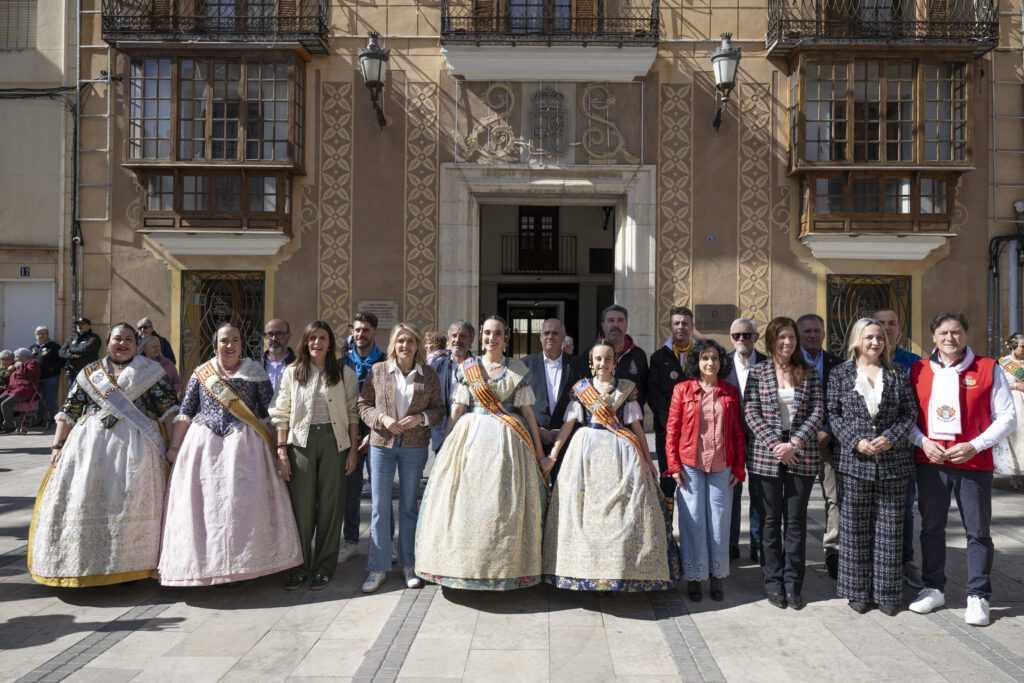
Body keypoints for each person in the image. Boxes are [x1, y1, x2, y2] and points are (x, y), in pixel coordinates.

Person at [27, 323, 179, 586]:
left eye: (129, 339)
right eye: (117, 338)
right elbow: (70, 410)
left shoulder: (151, 371)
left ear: (136, 344)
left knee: (130, 500)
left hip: (138, 447)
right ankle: (81, 564)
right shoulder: (90, 373)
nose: (123, 343)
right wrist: (57, 445)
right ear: (108, 342)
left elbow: (169, 411)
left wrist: (174, 447)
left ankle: (131, 566)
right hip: (89, 446)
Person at [159, 324, 302, 586]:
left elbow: (269, 412)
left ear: (242, 344)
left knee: (242, 505)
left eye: (235, 340)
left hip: (246, 448)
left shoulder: (255, 372)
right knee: (205, 507)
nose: (230, 345)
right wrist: (175, 447)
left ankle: (244, 566)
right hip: (203, 448)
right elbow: (186, 411)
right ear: (215, 345)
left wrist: (279, 449)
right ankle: (206, 567)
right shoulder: (201, 373)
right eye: (224, 340)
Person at [415, 315, 549, 590]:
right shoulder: (468, 368)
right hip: (470, 439)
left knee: (504, 502)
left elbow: (528, 413)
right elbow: (457, 410)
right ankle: (463, 567)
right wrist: (445, 446)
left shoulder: (518, 369)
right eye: (487, 333)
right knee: (468, 501)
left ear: (506, 336)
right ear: (482, 337)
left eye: (497, 333)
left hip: (509, 443)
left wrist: (538, 451)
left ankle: (506, 569)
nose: (491, 338)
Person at [542, 341, 678, 592]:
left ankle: (619, 571)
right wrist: (553, 454)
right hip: (585, 453)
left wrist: (649, 461)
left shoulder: (626, 388)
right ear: (591, 363)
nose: (602, 363)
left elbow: (636, 427)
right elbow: (568, 426)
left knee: (621, 512)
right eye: (598, 359)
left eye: (607, 359)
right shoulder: (581, 390)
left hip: (621, 453)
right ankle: (585, 570)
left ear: (615, 363)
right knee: (584, 512)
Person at [908, 312, 1016, 627]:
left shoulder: (988, 368)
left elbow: (1007, 417)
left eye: (956, 332)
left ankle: (978, 594)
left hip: (974, 463)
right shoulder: (918, 369)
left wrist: (975, 445)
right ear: (933, 337)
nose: (950, 338)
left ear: (965, 335)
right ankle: (933, 588)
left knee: (978, 531)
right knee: (931, 528)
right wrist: (922, 442)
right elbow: (906, 417)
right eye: (943, 333)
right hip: (932, 463)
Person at [827, 318, 917, 616]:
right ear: (857, 340)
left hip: (893, 464)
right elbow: (833, 414)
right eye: (869, 337)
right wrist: (856, 441)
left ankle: (887, 593)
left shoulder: (897, 373)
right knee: (855, 529)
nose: (876, 342)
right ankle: (857, 591)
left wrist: (891, 438)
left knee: (890, 529)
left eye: (880, 338)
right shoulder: (840, 374)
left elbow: (909, 413)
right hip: (854, 463)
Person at [271, 320, 360, 590]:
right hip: (301, 443)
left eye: (322, 338)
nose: (317, 343)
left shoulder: (344, 373)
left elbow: (353, 414)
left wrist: (352, 451)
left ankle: (324, 567)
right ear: (305, 342)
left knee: (331, 508)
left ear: (330, 343)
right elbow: (281, 412)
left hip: (335, 442)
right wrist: (282, 450)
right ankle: (299, 567)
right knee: (302, 508)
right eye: (312, 338)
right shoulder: (292, 372)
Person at [358, 323, 444, 593]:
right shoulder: (378, 371)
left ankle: (409, 564)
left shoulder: (428, 374)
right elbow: (363, 405)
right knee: (380, 507)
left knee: (408, 506)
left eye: (410, 341)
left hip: (414, 446)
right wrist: (382, 419)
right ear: (393, 345)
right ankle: (378, 567)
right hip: (381, 445)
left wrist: (421, 418)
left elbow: (439, 409)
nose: (405, 346)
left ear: (417, 345)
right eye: (400, 341)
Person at [745, 316, 824, 610]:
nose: (787, 342)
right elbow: (750, 411)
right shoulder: (758, 372)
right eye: (781, 337)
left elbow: (818, 411)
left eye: (791, 337)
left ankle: (793, 585)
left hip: (800, 451)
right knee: (769, 521)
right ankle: (773, 582)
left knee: (795, 522)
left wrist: (795, 443)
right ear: (771, 340)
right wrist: (776, 445)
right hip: (767, 453)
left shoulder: (808, 372)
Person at [665, 339, 746, 601]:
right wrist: (673, 465)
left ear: (721, 362)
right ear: (696, 362)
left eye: (714, 358)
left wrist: (739, 467)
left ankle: (716, 576)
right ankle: (694, 577)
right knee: (693, 522)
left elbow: (738, 433)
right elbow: (672, 430)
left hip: (722, 464)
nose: (710, 363)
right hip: (691, 465)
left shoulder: (730, 391)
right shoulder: (682, 390)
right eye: (704, 358)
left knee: (719, 522)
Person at [874, 307, 925, 588]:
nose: (886, 327)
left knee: (903, 508)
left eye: (891, 323)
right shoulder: (861, 361)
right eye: (880, 323)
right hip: (869, 448)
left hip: (904, 448)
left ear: (899, 328)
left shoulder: (914, 363)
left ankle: (905, 561)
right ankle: (872, 562)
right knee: (868, 508)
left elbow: (918, 405)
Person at [797, 313, 843, 579]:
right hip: (798, 444)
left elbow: (842, 403)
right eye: (807, 331)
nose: (812, 335)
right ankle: (795, 552)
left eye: (817, 331)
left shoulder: (839, 364)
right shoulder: (788, 363)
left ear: (824, 334)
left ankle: (833, 551)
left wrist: (827, 429)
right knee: (795, 501)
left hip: (829, 443)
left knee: (834, 498)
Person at [340, 311, 386, 564]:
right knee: (350, 492)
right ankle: (351, 541)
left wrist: (371, 434)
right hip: (348, 437)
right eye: (357, 330)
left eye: (366, 330)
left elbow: (389, 403)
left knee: (381, 493)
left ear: (374, 332)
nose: (361, 334)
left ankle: (386, 544)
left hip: (378, 436)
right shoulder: (341, 364)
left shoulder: (385, 363)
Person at [522, 319, 588, 482]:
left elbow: (584, 405)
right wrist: (538, 430)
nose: (550, 336)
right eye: (546, 333)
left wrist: (564, 431)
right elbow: (519, 405)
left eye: (555, 333)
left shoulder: (579, 366)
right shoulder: (525, 365)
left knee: (564, 489)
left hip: (567, 442)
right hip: (533, 439)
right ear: (540, 337)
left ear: (563, 337)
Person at [727, 317, 767, 563]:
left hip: (761, 437)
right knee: (731, 489)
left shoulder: (767, 364)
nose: (741, 339)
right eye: (736, 335)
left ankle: (757, 543)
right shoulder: (721, 364)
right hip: (730, 437)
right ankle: (731, 543)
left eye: (746, 335)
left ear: (756, 337)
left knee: (759, 491)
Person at [648, 306, 696, 499]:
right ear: (670, 326)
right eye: (676, 323)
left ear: (692, 326)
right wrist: (670, 422)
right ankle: (666, 518)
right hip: (666, 429)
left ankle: (691, 518)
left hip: (695, 430)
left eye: (685, 323)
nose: (681, 327)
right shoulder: (658, 357)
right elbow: (653, 393)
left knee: (692, 479)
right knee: (668, 478)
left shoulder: (701, 355)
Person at [429, 320, 475, 453]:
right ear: (449, 339)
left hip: (472, 435)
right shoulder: (436, 367)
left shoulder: (479, 367)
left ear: (471, 340)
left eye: (463, 336)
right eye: (454, 336)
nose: (457, 340)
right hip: (443, 435)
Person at [597, 305, 649, 410]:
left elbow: (645, 391)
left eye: (620, 320)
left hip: (632, 419)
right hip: (600, 418)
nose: (616, 325)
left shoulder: (639, 355)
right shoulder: (589, 355)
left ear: (626, 324)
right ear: (603, 325)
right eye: (611, 320)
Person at [994, 333, 1024, 491]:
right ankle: (1017, 476)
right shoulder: (1003, 363)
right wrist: (1016, 386)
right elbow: (996, 383)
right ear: (1013, 346)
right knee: (1016, 439)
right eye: (1022, 346)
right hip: (1013, 404)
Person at [1, 349, 41, 433]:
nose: (15, 359)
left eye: (17, 356)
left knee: (5, 404)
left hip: (24, 390)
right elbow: (13, 380)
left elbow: (29, 373)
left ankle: (10, 426)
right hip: (12, 390)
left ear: (24, 356)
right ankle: (2, 424)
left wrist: (20, 365)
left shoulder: (33, 363)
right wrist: (9, 373)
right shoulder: (18, 365)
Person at [30, 326, 63, 425]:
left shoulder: (54, 346)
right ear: (35, 335)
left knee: (50, 398)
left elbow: (62, 360)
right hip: (36, 377)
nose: (41, 335)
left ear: (47, 334)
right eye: (39, 333)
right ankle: (39, 418)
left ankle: (49, 419)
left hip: (51, 377)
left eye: (44, 333)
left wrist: (52, 368)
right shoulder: (32, 347)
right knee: (39, 399)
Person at [59, 317, 102, 390]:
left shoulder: (94, 338)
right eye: (78, 324)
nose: (79, 326)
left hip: (88, 372)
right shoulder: (72, 338)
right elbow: (61, 352)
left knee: (87, 393)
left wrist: (70, 350)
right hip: (73, 373)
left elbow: (84, 350)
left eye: (82, 324)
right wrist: (72, 356)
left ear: (89, 326)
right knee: (72, 393)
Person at [262, 318, 296, 394]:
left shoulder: (300, 364)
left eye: (279, 334)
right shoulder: (256, 366)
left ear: (289, 336)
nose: (274, 338)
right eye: (270, 334)